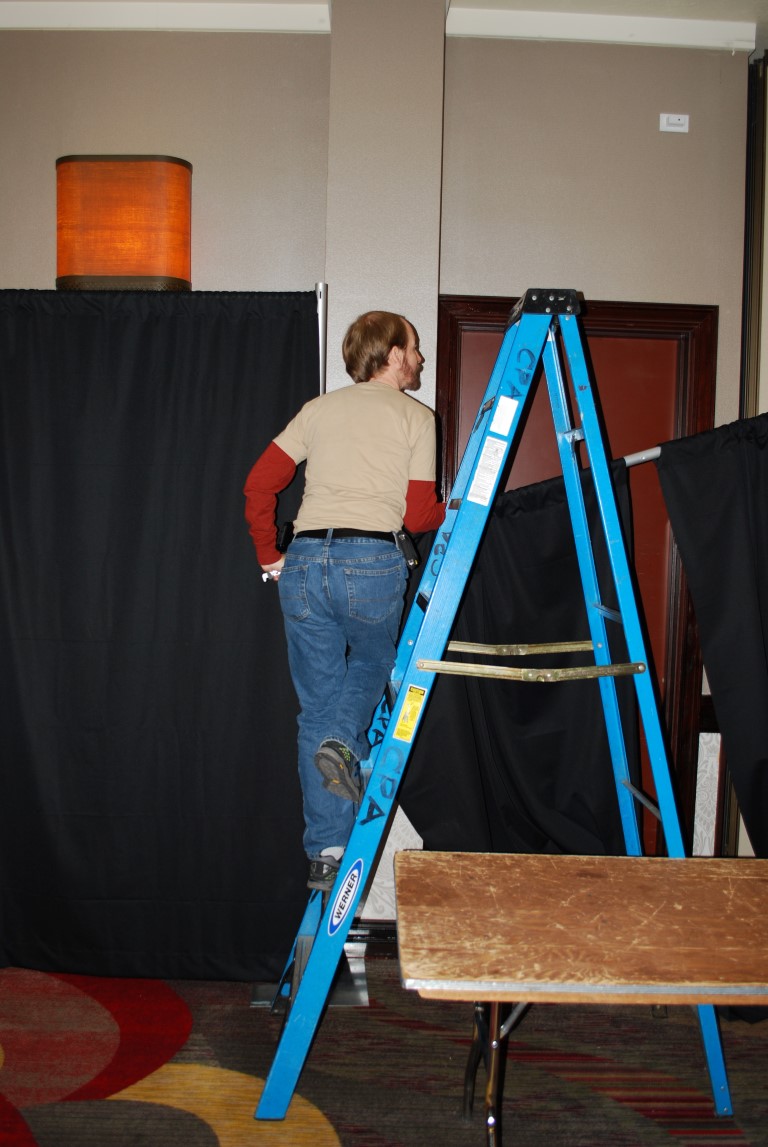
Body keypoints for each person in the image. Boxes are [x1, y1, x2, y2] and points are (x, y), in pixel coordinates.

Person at [243, 310, 445, 891]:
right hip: (370, 559)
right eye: (415, 348)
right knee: (376, 662)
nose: (421, 358)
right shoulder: (416, 417)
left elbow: (259, 484)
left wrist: (269, 556)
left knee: (317, 708)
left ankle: (327, 852)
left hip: (304, 562)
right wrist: (457, 506)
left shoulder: (318, 409)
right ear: (393, 354)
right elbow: (417, 516)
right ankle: (342, 742)